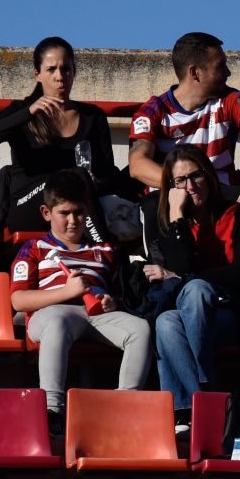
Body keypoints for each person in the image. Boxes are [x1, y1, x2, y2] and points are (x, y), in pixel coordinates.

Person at [11, 169, 154, 433]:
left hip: (97, 315)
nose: (73, 220)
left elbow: (121, 292)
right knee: (57, 322)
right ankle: (52, 409)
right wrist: (66, 292)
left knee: (140, 328)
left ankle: (124, 405)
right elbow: (19, 300)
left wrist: (114, 302)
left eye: (78, 212)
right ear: (46, 213)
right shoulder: (33, 248)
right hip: (50, 313)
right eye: (64, 213)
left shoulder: (105, 250)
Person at [140, 143, 240, 424]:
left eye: (196, 176)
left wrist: (184, 279)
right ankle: (192, 412)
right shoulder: (167, 218)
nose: (190, 186)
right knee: (166, 322)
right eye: (180, 181)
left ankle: (198, 399)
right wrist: (177, 215)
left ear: (209, 176)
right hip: (186, 312)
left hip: (231, 312)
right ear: (171, 185)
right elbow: (184, 265)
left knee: (196, 288)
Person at [0, 36, 124, 246]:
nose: (60, 76)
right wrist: (29, 111)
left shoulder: (93, 116)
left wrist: (95, 181)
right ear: (37, 74)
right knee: (74, 177)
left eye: (66, 69)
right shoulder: (21, 111)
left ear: (74, 72)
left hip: (76, 209)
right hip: (28, 205)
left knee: (80, 179)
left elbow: (110, 173)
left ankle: (103, 258)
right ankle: (106, 253)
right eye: (51, 69)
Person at [128, 31, 240, 201]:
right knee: (153, 205)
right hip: (174, 194)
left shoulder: (230, 100)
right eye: (220, 66)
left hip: (221, 191)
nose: (228, 72)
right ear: (195, 73)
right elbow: (138, 165)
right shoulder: (153, 111)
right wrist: (189, 185)